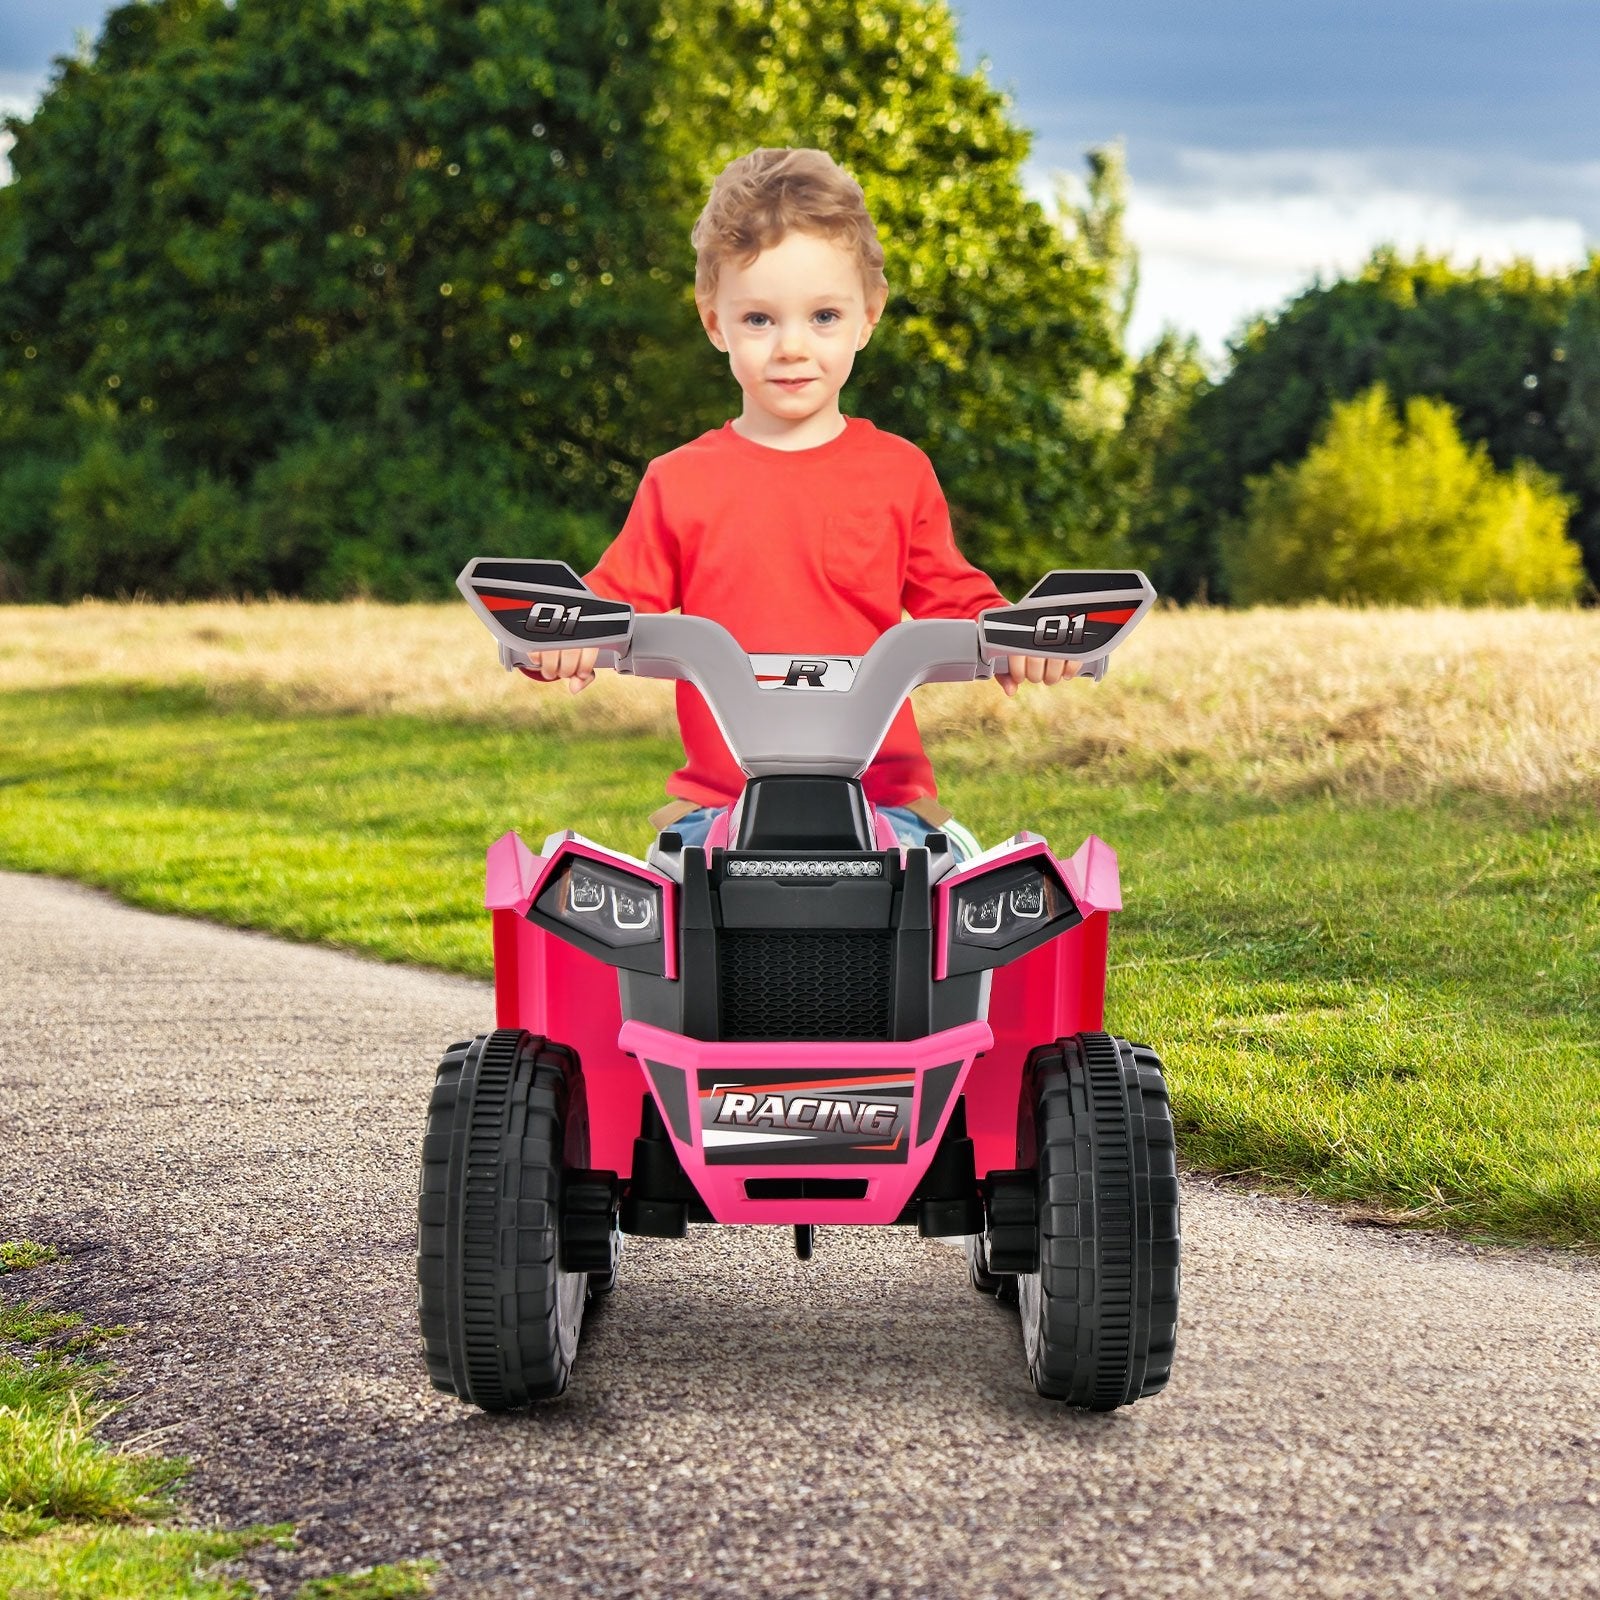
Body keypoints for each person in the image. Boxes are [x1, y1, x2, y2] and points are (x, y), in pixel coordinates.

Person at [526, 147, 1074, 860]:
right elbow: (609, 601)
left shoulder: (897, 472)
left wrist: (1018, 644)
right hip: (720, 809)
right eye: (758, 319)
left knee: (927, 904)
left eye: (822, 316)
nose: (790, 347)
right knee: (677, 903)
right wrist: (557, 644)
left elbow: (956, 597)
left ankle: (954, 876)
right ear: (715, 323)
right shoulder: (678, 480)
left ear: (866, 319)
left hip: (884, 803)